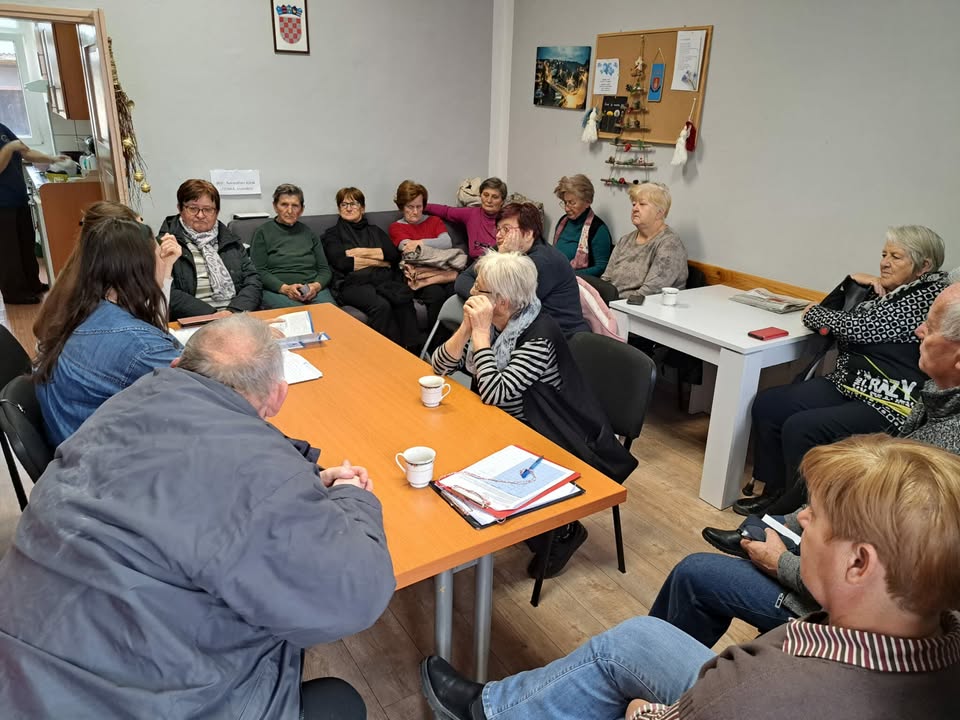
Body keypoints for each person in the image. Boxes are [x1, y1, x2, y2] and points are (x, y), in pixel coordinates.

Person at [0, 313, 396, 719]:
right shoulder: (257, 471)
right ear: (278, 397)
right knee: (338, 698)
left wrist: (297, 482)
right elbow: (356, 597)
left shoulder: (126, 403)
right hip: (133, 699)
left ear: (177, 366)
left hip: (18, 670)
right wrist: (352, 498)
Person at [421, 434, 960, 720]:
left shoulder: (765, 687)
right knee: (638, 636)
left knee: (618, 660)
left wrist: (644, 712)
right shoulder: (942, 646)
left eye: (815, 516)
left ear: (859, 564)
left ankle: (487, 714)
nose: (800, 519)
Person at [680, 282, 960, 647]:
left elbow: (880, 585)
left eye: (931, 327)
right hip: (841, 570)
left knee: (693, 574)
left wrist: (781, 564)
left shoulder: (944, 453)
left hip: (849, 616)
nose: (919, 331)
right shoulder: (935, 398)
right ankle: (767, 523)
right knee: (767, 517)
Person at [433, 251, 635, 577]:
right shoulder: (497, 323)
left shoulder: (539, 335)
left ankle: (564, 531)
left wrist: (480, 334)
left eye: (480, 288)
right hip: (505, 420)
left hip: (550, 433)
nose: (471, 292)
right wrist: (466, 329)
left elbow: (494, 392)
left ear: (502, 301)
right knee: (444, 443)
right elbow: (439, 366)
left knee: (456, 452)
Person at [735, 225, 948, 517]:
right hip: (850, 383)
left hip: (888, 400)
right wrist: (850, 282)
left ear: (924, 266)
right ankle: (774, 491)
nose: (885, 263)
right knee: (769, 404)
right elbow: (830, 318)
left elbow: (856, 328)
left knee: (801, 427)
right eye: (884, 255)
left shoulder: (928, 296)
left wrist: (813, 313)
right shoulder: (889, 292)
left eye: (896, 257)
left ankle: (794, 513)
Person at [33, 205, 182, 446]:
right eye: (156, 255)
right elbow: (208, 389)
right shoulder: (139, 344)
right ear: (138, 266)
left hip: (76, 442)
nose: (162, 260)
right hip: (105, 457)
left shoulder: (85, 307)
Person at [455, 202, 589, 337]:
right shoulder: (505, 247)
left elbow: (505, 304)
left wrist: (503, 256)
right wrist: (482, 295)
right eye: (498, 229)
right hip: (523, 328)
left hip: (560, 336)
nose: (499, 235)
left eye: (506, 229)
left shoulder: (543, 260)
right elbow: (463, 279)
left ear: (528, 234)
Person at [321, 186, 419, 348]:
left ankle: (413, 351)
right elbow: (342, 263)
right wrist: (380, 261)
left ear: (363, 208)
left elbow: (393, 255)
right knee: (381, 306)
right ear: (339, 209)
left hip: (382, 279)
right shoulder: (332, 234)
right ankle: (386, 352)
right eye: (344, 204)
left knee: (402, 299)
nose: (349, 208)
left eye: (354, 204)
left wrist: (359, 252)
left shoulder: (375, 231)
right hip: (350, 284)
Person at [158, 178, 262, 320]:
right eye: (193, 208)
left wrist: (233, 311)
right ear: (180, 209)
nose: (200, 215)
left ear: (217, 212)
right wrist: (213, 316)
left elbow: (253, 280)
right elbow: (165, 291)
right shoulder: (165, 245)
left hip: (236, 316)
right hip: (194, 320)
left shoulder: (231, 240)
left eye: (207, 209)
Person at [0, 122, 67, 304]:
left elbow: (26, 151)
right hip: (2, 204)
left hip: (17, 198)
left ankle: (32, 284)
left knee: (25, 245)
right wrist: (9, 148)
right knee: (8, 251)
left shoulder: (2, 128)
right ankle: (14, 294)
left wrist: (52, 158)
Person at [389, 179, 462, 330]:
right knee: (436, 295)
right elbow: (408, 248)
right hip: (420, 275)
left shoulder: (434, 221)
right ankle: (435, 342)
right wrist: (434, 244)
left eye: (419, 206)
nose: (415, 212)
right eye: (410, 207)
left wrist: (419, 242)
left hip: (443, 271)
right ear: (401, 207)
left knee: (457, 291)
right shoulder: (396, 227)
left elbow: (447, 242)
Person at [250, 183, 334, 309]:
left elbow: (324, 270)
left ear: (302, 209)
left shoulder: (309, 233)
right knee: (297, 315)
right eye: (284, 205)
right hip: (278, 290)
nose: (289, 211)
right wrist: (285, 289)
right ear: (275, 206)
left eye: (295, 206)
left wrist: (315, 286)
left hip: (312, 289)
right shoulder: (262, 232)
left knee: (331, 313)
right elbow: (259, 270)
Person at [601, 182, 687, 299]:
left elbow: (650, 292)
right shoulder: (625, 240)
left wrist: (611, 304)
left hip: (639, 307)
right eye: (634, 204)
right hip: (611, 303)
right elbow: (605, 280)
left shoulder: (670, 244)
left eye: (642, 204)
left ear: (659, 213)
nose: (635, 209)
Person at [425, 177, 507, 259]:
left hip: (500, 261)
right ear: (480, 195)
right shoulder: (471, 214)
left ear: (502, 201)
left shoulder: (507, 219)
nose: (489, 200)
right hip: (476, 262)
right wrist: (421, 206)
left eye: (495, 197)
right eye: (485, 195)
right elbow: (446, 211)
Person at [551, 174, 613, 277]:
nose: (566, 208)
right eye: (565, 202)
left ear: (587, 202)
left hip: (577, 281)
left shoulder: (598, 230)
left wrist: (570, 275)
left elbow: (601, 268)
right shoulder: (563, 221)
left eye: (572, 203)